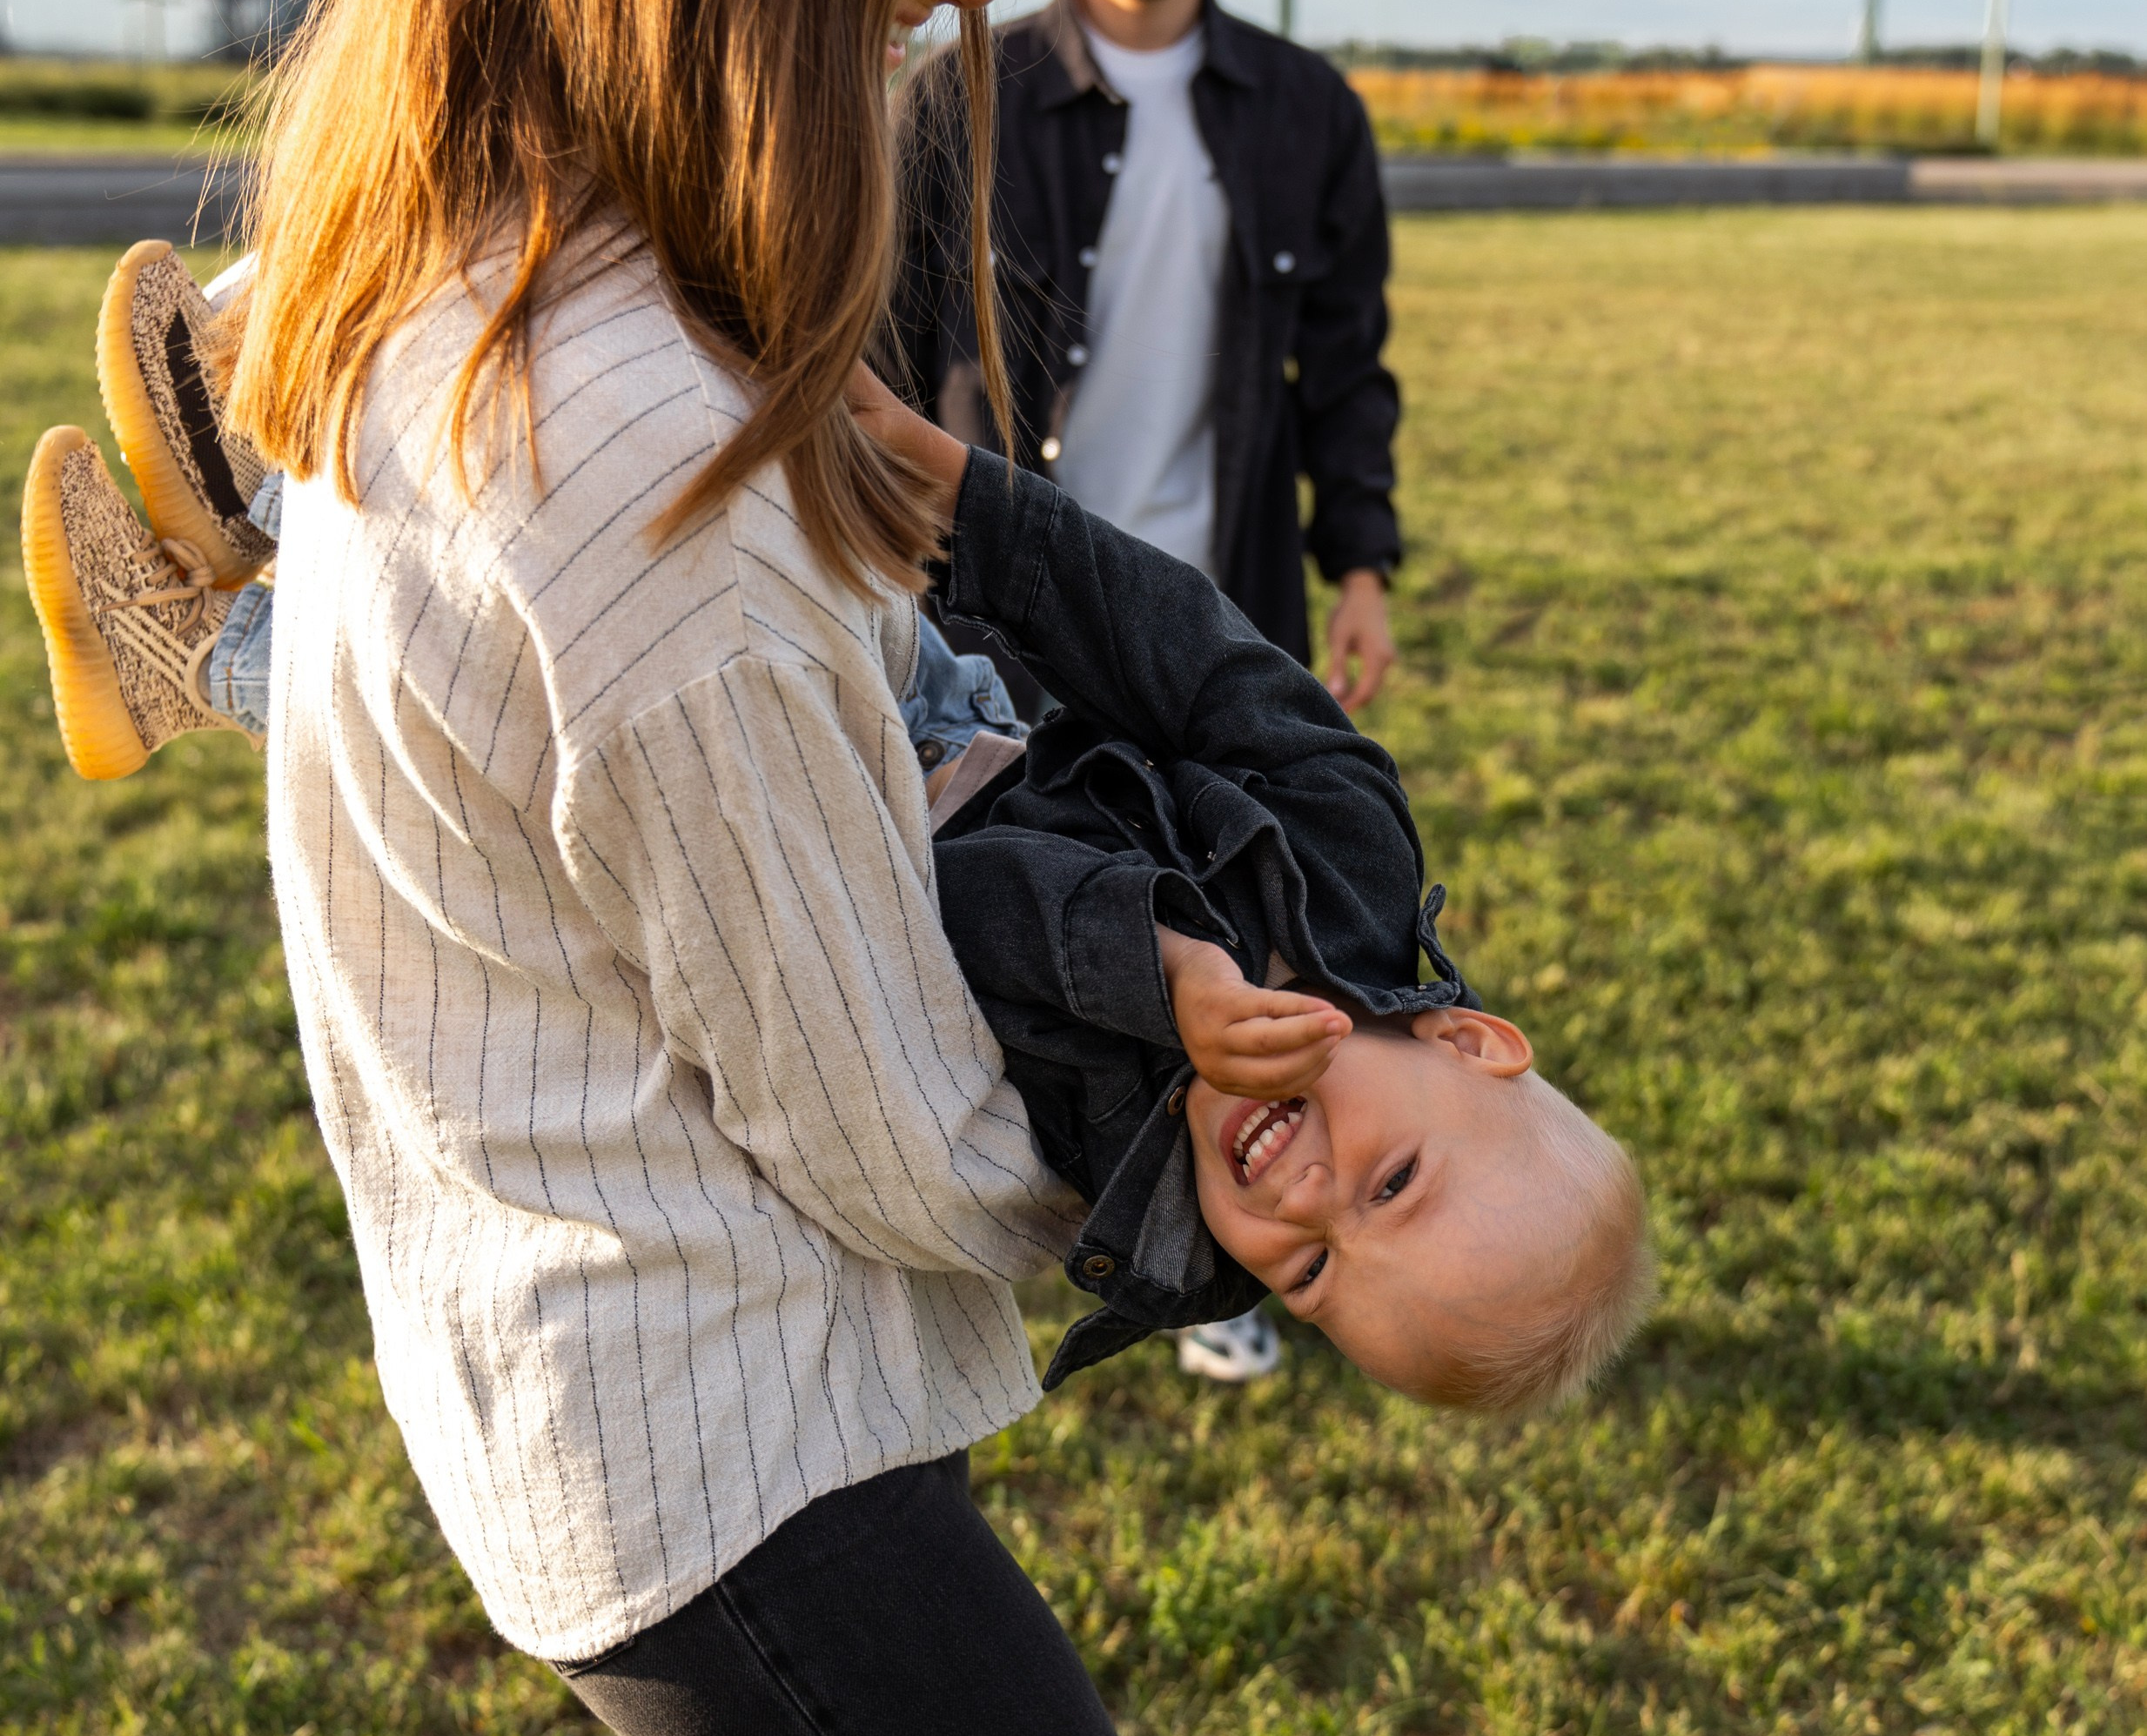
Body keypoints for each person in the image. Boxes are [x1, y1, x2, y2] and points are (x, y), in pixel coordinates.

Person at [24, 0, 1253, 1736]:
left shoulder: (477, 264)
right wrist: (1202, 1174)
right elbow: (880, 1125)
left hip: (617, 1385)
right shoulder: (642, 461)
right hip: (725, 1445)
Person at [28, 265, 1647, 1418]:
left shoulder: (1117, 1171)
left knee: (524, 694)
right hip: (957, 685)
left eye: (1309, 1277)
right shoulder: (1355, 858)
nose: (1306, 1203)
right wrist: (980, 507)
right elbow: (1192, 658)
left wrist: (1153, 975)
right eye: (1393, 1182)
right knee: (721, 397)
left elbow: (948, 918)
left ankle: (193, 643)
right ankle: (264, 429)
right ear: (1469, 1042)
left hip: (824, 808)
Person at [890, 0, 1404, 1388]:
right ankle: (1063, 1235)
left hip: (1217, 607)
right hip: (997, 617)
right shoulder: (957, 98)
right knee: (1048, 929)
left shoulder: (1307, 114)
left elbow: (1347, 368)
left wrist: (1363, 567)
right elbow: (882, 358)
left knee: (1241, 939)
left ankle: (1226, 1266)